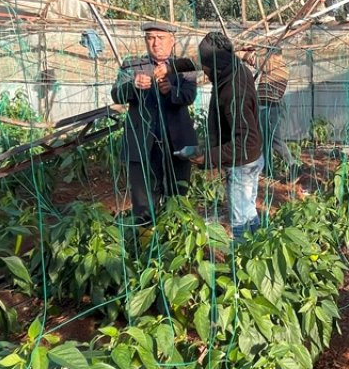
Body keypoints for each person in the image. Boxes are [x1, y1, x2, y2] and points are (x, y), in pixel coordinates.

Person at [177, 32, 265, 243]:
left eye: (206, 68)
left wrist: (208, 157)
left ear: (215, 66)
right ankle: (262, 247)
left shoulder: (233, 90)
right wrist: (172, 67)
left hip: (242, 163)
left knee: (239, 220)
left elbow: (247, 141)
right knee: (249, 211)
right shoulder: (232, 66)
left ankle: (243, 264)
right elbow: (197, 62)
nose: (204, 73)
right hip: (252, 159)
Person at [111, 23, 198, 225]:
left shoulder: (183, 67)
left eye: (161, 37)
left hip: (177, 143)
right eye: (150, 37)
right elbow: (116, 94)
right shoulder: (132, 66)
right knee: (143, 202)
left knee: (177, 197)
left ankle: (174, 238)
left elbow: (189, 95)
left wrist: (172, 90)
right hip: (142, 143)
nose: (155, 43)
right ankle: (145, 241)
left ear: (172, 41)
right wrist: (132, 86)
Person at [239, 46, 299, 180]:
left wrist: (246, 51)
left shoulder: (273, 63)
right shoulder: (283, 67)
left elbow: (251, 60)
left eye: (267, 54)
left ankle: (291, 164)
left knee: (270, 139)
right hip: (273, 106)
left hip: (267, 107)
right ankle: (269, 169)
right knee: (269, 139)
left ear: (272, 54)